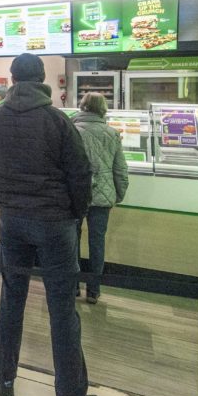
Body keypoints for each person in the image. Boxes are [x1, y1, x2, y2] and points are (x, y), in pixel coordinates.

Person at [0, 53, 102, 396]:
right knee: (62, 310)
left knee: (12, 298)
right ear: (43, 78)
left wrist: (1, 200)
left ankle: (5, 375)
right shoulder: (57, 121)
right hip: (56, 224)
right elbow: (80, 176)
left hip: (13, 221)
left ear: (12, 79)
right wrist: (74, 215)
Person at [72, 93, 129, 304]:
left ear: (83, 107)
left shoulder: (71, 130)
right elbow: (120, 170)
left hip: (76, 196)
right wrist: (118, 194)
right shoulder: (112, 134)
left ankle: (73, 286)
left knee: (72, 241)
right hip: (102, 198)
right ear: (103, 109)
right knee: (97, 243)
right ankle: (94, 291)